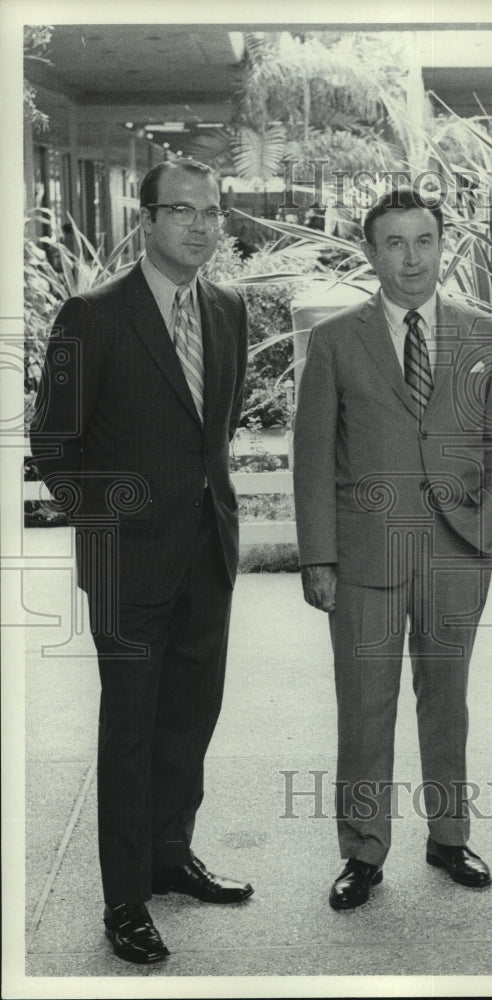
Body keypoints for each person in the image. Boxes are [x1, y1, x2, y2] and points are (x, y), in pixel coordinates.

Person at [30, 159, 253, 965]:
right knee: (129, 728)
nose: (200, 225)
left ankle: (170, 854)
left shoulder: (228, 310)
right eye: (182, 210)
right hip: (129, 561)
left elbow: (212, 434)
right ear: (147, 220)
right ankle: (124, 900)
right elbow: (52, 443)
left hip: (206, 551)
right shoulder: (91, 316)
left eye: (212, 212)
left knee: (191, 715)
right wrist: (112, 522)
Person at [293, 186, 492, 910]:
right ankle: (363, 852)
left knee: (446, 700)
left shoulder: (480, 332)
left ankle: (449, 837)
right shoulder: (334, 342)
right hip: (364, 555)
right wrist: (318, 556)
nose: (411, 257)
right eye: (394, 242)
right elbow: (312, 458)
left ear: (440, 246)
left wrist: (484, 528)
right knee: (364, 703)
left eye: (423, 240)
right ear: (371, 252)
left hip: (457, 552)